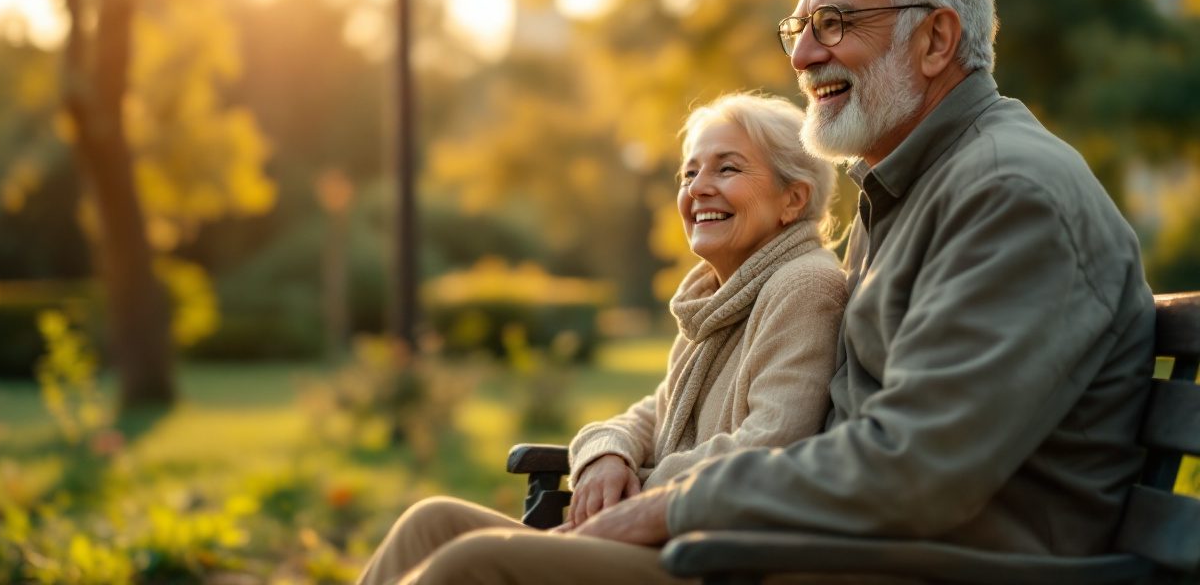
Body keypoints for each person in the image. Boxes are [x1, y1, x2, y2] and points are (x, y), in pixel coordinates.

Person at [565, 0, 1156, 566]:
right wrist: (619, 456)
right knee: (435, 532)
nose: (801, 54)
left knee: (471, 565)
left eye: (835, 23)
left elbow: (916, 466)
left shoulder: (1008, 194)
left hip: (929, 569)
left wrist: (668, 505)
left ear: (935, 40)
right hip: (823, 550)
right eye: (800, 27)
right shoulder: (907, 189)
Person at [356, 92, 848, 585]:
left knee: (470, 563)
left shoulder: (803, 284)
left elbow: (773, 446)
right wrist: (607, 453)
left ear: (793, 198)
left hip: (710, 559)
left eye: (727, 169)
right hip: (662, 537)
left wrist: (641, 494)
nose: (698, 188)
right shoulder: (717, 298)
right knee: (431, 521)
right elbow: (653, 415)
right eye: (689, 172)